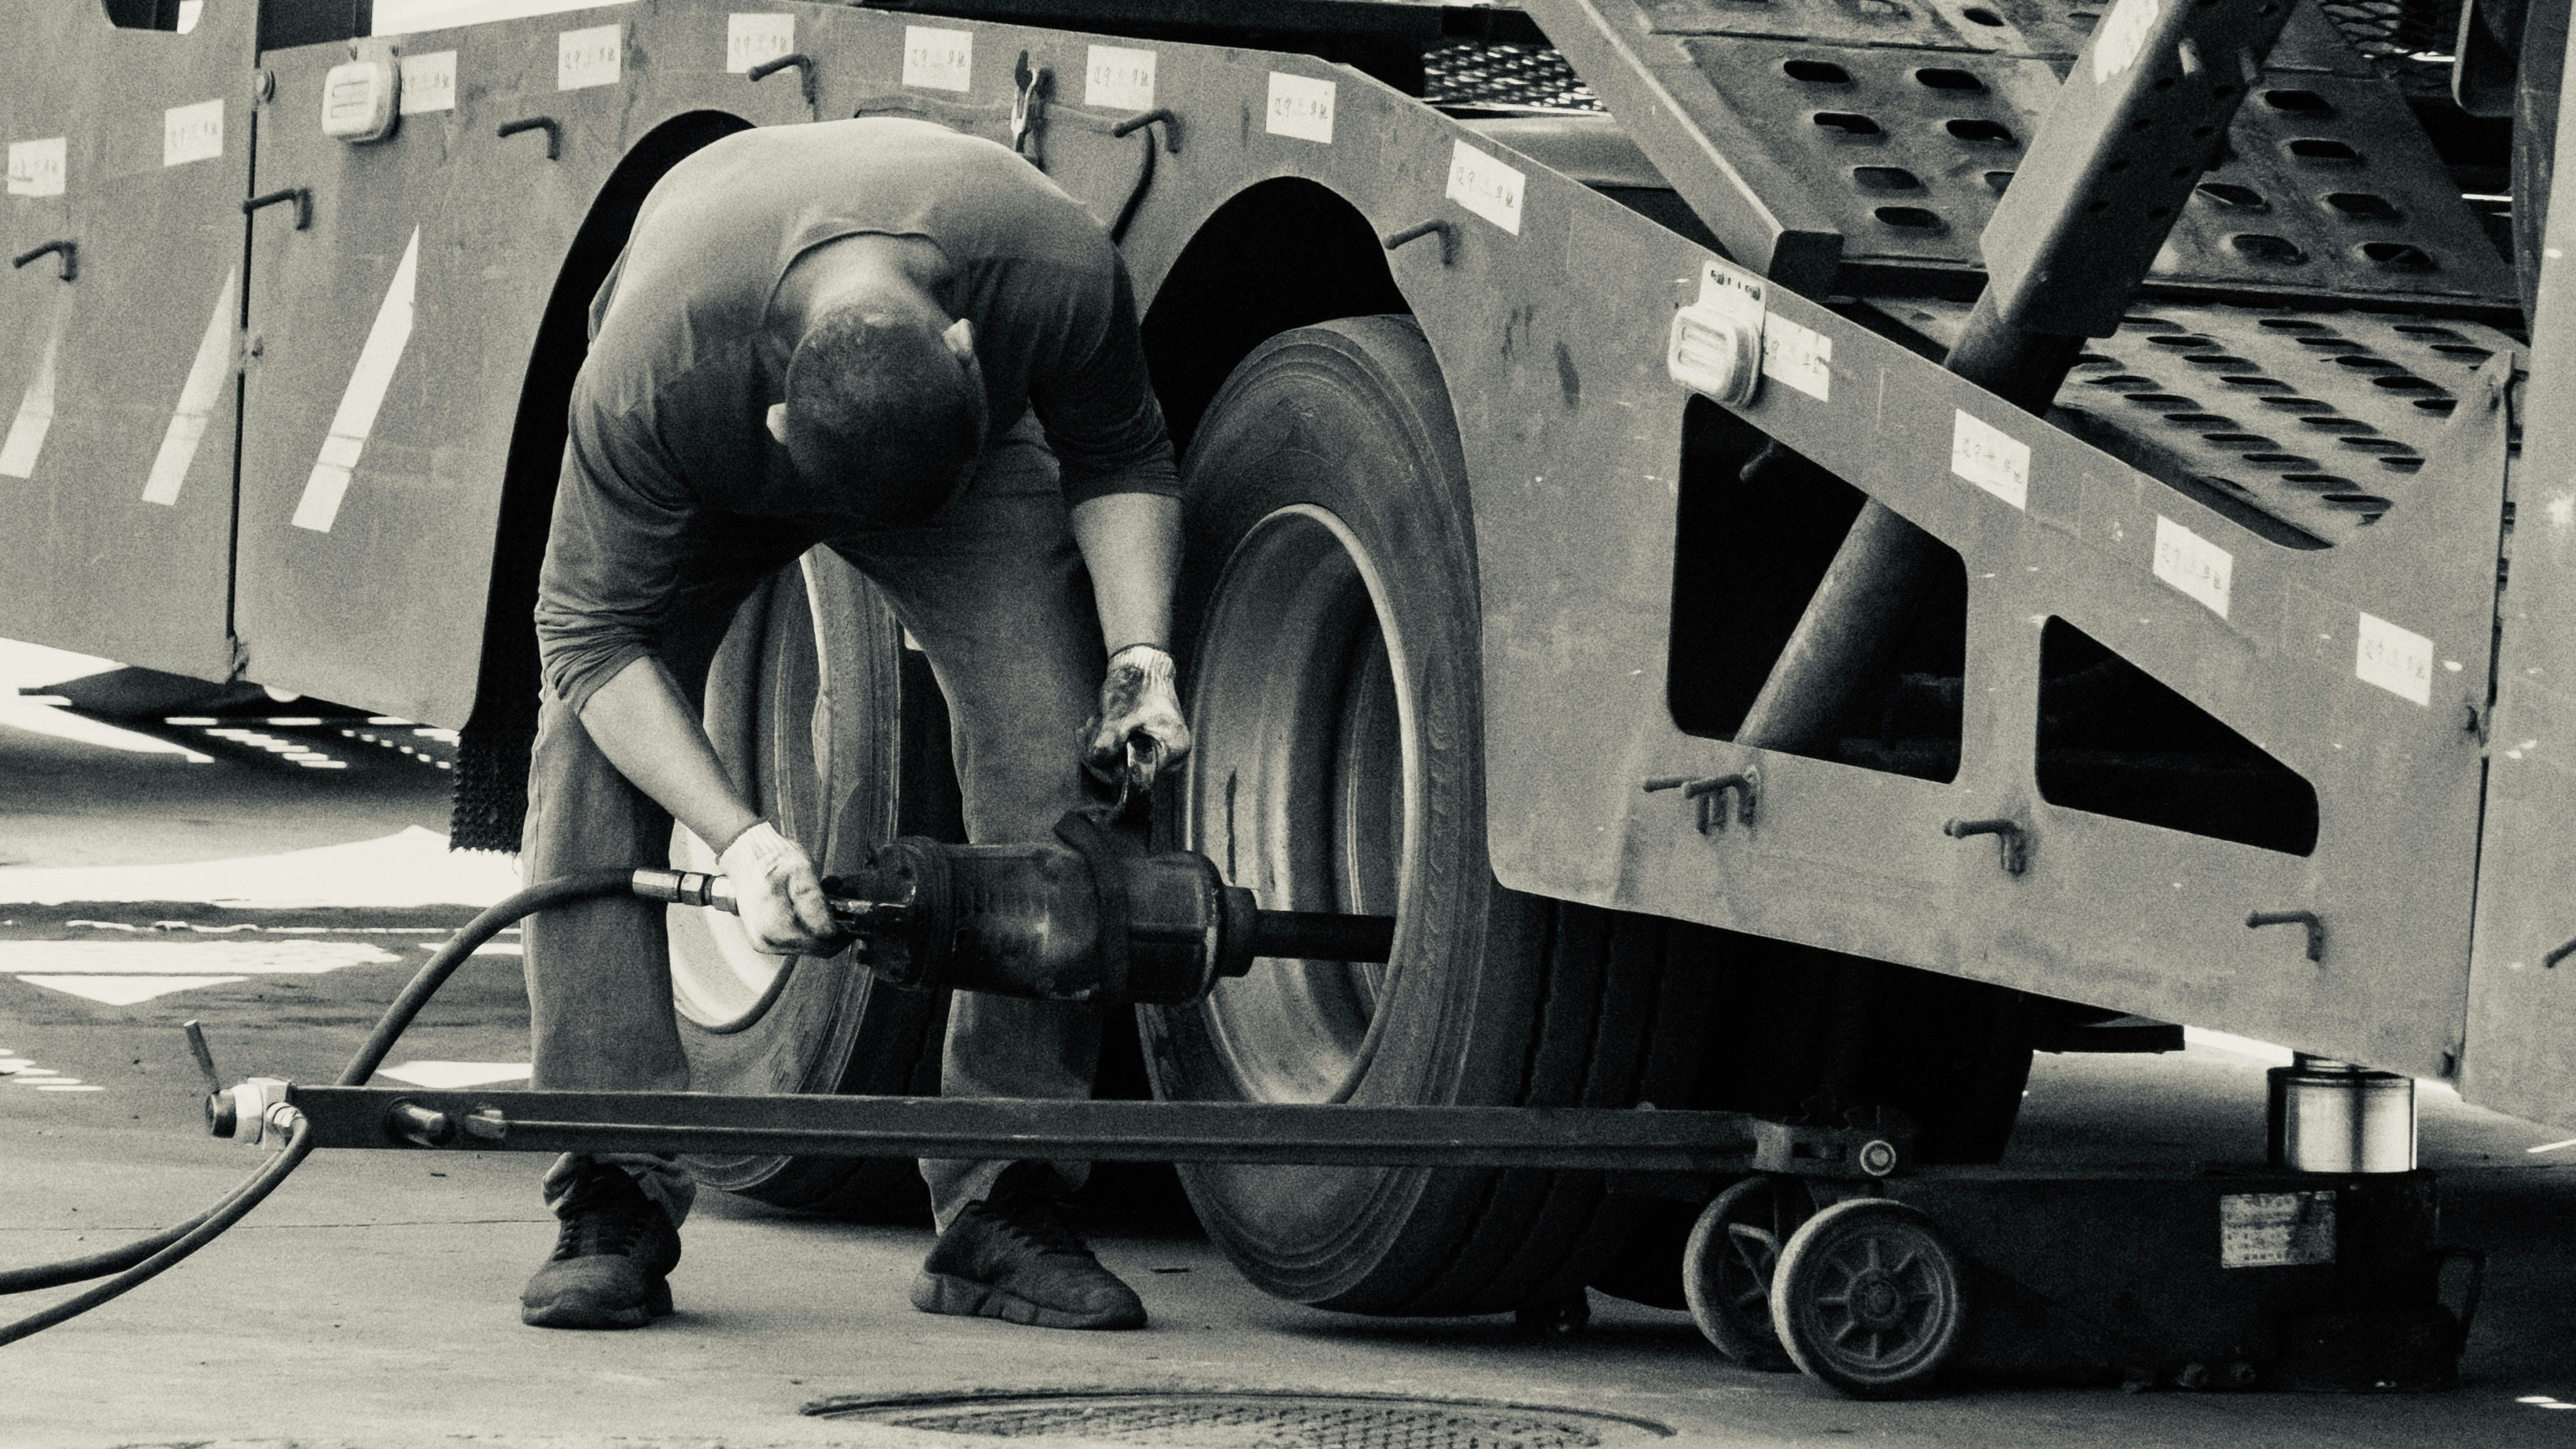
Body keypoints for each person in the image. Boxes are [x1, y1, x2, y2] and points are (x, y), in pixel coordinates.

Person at [513, 116, 1191, 1333]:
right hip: (712, 443)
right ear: (782, 428)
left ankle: (1005, 1197)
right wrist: (739, 840)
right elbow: (588, 641)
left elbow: (1122, 450)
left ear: (970, 351)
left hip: (958, 463)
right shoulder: (653, 371)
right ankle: (615, 1181)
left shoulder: (1054, 266)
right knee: (585, 763)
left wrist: (1141, 658)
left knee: (1057, 759)